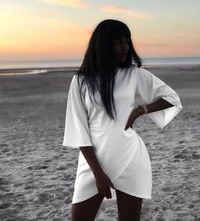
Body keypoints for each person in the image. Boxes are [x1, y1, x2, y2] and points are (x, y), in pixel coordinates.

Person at [63, 19, 183, 221]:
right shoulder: (81, 81)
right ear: (103, 44)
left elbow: (172, 98)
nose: (125, 47)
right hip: (94, 162)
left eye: (127, 41)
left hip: (130, 157)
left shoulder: (134, 74)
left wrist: (141, 109)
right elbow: (79, 131)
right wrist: (98, 174)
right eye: (118, 42)